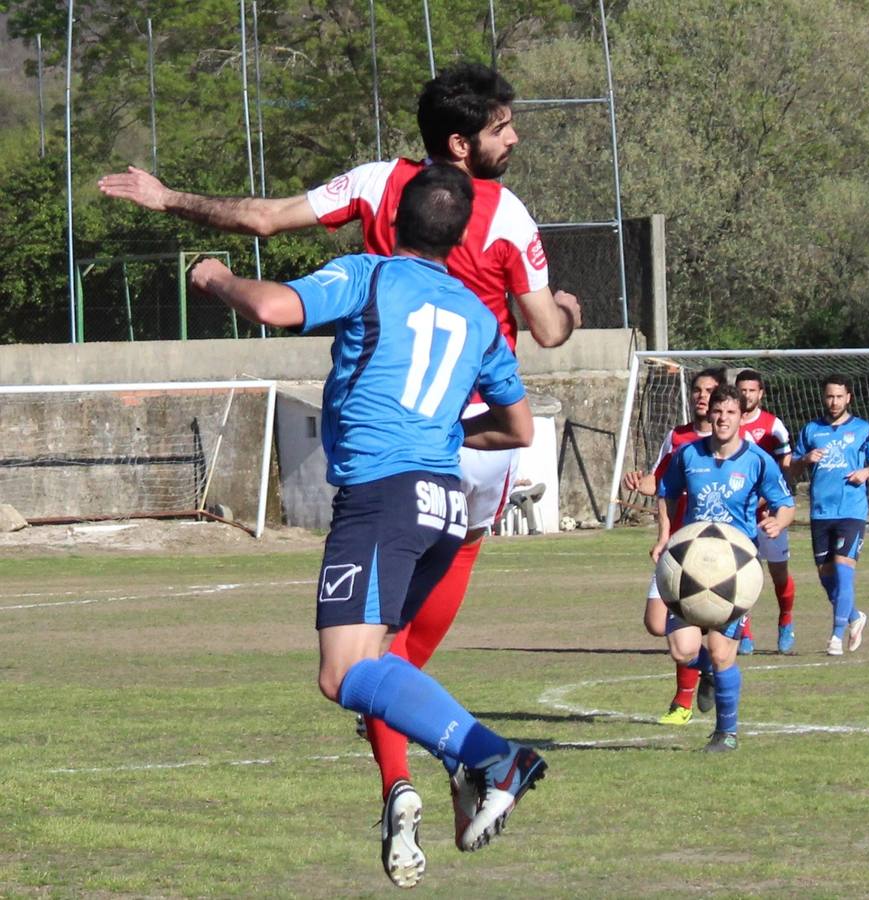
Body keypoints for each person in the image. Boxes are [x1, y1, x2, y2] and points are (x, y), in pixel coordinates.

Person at [100, 62, 579, 846]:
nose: (514, 137)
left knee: (352, 669)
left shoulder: (370, 223)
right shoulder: (502, 238)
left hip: (384, 479)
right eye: (503, 127)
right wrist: (559, 309)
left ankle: (469, 766)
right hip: (454, 468)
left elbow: (268, 258)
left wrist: (191, 233)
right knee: (392, 652)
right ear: (461, 154)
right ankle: (447, 777)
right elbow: (541, 358)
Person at [188, 165, 547, 889]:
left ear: (390, 220)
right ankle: (442, 767)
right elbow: (516, 427)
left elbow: (273, 307)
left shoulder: (371, 275)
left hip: (381, 498)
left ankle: (491, 755)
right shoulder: (479, 313)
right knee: (382, 665)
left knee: (343, 672)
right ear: (457, 236)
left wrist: (215, 277)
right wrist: (443, 434)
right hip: (444, 506)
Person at [652, 385, 795, 750]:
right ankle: (711, 675)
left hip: (735, 567)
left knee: (721, 651)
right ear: (710, 414)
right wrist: (665, 534)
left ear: (740, 417)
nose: (723, 419)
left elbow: (786, 503)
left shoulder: (757, 460)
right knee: (683, 650)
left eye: (731, 413)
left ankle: (726, 734)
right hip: (690, 563)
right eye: (718, 412)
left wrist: (779, 522)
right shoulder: (688, 455)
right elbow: (666, 491)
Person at [622, 368, 725, 725]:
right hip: (677, 544)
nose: (701, 397)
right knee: (655, 622)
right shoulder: (678, 438)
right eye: (697, 390)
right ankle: (707, 668)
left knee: (695, 625)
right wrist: (640, 482)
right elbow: (660, 481)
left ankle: (682, 703)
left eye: (709, 391)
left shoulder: (733, 445)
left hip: (714, 550)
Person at [788, 375, 869, 657]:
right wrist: (805, 460)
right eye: (829, 397)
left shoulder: (863, 429)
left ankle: (835, 637)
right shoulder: (811, 430)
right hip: (820, 512)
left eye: (839, 397)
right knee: (826, 578)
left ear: (849, 397)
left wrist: (866, 472)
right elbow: (793, 468)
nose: (834, 402)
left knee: (844, 574)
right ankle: (855, 616)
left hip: (851, 511)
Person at [733, 369, 798, 655]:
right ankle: (743, 631)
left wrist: (771, 498)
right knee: (741, 575)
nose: (746, 395)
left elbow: (785, 465)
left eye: (752, 390)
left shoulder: (773, 426)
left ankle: (785, 620)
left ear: (761, 393)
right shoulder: (727, 423)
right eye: (742, 390)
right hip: (737, 514)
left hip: (768, 516)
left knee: (778, 574)